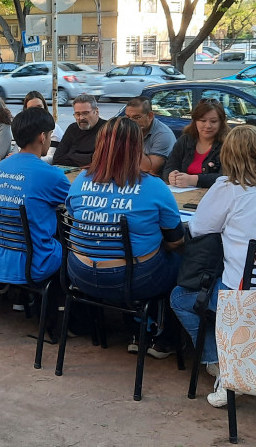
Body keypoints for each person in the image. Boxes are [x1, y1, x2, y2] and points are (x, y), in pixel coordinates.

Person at [169, 125, 256, 407]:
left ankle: (221, 365)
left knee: (181, 297)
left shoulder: (228, 187)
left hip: (248, 296)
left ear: (229, 156)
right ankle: (234, 362)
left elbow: (198, 229)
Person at [65, 117, 185, 357]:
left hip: (80, 274)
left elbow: (72, 217)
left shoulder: (80, 180)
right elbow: (175, 240)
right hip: (133, 280)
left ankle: (135, 327)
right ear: (137, 148)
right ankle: (164, 337)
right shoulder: (154, 186)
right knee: (181, 260)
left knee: (129, 255)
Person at [0, 107, 70, 285]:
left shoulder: (0, 167)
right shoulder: (51, 174)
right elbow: (75, 205)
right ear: (43, 136)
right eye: (50, 135)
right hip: (36, 262)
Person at [163, 99, 227, 188]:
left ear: (221, 123)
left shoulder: (228, 145)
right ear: (195, 121)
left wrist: (192, 180)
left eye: (213, 121)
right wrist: (171, 176)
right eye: (203, 121)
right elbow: (169, 167)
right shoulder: (185, 140)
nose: (208, 126)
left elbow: (226, 177)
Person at [124, 96, 176, 175]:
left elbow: (150, 170)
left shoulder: (163, 135)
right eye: (127, 117)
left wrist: (133, 139)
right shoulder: (125, 127)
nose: (130, 122)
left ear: (150, 116)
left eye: (136, 117)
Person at [53, 94, 106, 168]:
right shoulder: (72, 129)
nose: (81, 118)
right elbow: (57, 159)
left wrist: (72, 155)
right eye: (77, 114)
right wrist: (89, 158)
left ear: (96, 112)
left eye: (85, 113)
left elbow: (103, 162)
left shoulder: (108, 129)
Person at [23, 91, 63, 163]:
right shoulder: (22, 128)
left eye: (39, 107)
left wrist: (26, 161)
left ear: (45, 107)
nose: (36, 111)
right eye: (31, 108)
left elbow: (52, 158)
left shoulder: (54, 128)